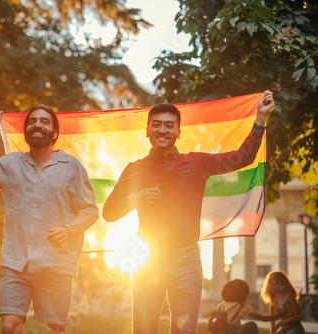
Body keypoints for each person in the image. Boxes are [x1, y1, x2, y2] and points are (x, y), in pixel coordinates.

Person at [102, 91, 275, 334]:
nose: (163, 130)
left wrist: (260, 120)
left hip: (187, 261)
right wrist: (136, 197)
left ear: (178, 132)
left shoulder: (196, 164)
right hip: (147, 259)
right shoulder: (134, 169)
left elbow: (241, 158)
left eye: (169, 125)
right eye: (157, 125)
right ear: (147, 131)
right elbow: (109, 213)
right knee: (143, 329)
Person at [0, 105, 99, 334]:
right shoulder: (10, 164)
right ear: (26, 131)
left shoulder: (71, 167)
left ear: (55, 133)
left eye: (45, 122)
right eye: (32, 121)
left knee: (55, 327)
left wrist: (68, 229)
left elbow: (90, 211)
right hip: (15, 263)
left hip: (55, 263)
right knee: (9, 325)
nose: (37, 124)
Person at [213, 279, 279, 334]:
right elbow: (262, 318)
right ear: (243, 293)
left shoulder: (221, 305)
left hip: (220, 332)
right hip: (232, 332)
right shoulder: (242, 307)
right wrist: (279, 315)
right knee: (252, 325)